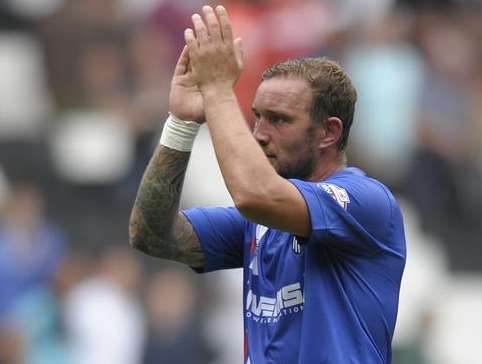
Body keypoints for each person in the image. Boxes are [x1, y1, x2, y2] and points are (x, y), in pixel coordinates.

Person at [129, 5, 406, 364]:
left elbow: (253, 193)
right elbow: (151, 235)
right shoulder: (259, 222)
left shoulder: (366, 202)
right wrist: (182, 124)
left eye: (278, 120)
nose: (259, 134)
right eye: (257, 117)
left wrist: (217, 92)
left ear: (329, 132)